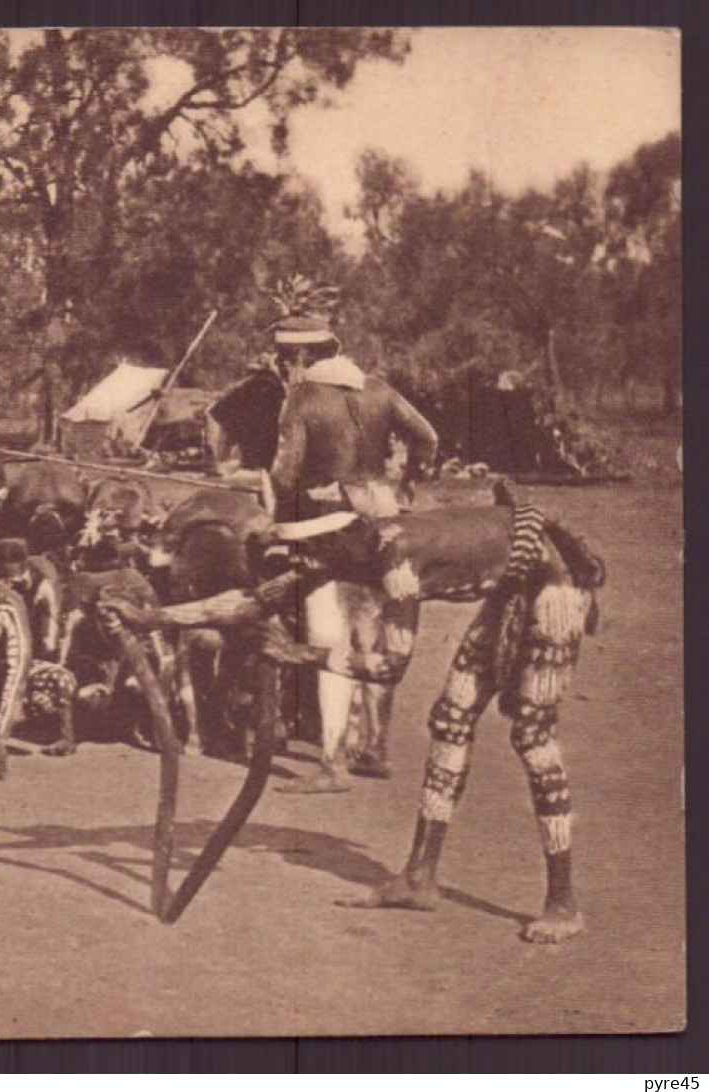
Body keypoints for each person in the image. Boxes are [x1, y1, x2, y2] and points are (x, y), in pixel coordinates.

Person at [257, 488, 604, 943]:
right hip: (516, 581)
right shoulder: (375, 538)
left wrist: (301, 654)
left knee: (533, 736)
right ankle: (419, 876)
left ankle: (563, 901)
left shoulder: (394, 562)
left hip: (556, 588)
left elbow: (389, 668)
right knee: (450, 720)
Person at [265, 275, 439, 793]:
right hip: (385, 521)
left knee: (328, 639)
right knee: (375, 632)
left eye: (283, 361)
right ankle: (376, 749)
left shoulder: (301, 398)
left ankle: (332, 763)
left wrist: (281, 486)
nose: (283, 369)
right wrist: (402, 484)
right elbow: (427, 438)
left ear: (296, 359)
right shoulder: (380, 389)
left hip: (326, 528)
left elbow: (284, 472)